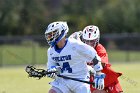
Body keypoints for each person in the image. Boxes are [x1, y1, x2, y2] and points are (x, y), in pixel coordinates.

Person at [45, 21, 106, 93]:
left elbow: (94, 56)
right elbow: (51, 66)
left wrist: (98, 74)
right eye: (49, 35)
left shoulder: (75, 45)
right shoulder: (51, 51)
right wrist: (52, 71)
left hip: (80, 80)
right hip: (62, 81)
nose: (50, 37)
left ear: (61, 33)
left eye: (52, 34)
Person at [69, 25, 123, 93]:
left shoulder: (100, 48)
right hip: (89, 77)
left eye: (91, 41)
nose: (89, 44)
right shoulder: (80, 49)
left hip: (105, 75)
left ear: (97, 40)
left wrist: (89, 67)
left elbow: (102, 64)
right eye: (87, 41)